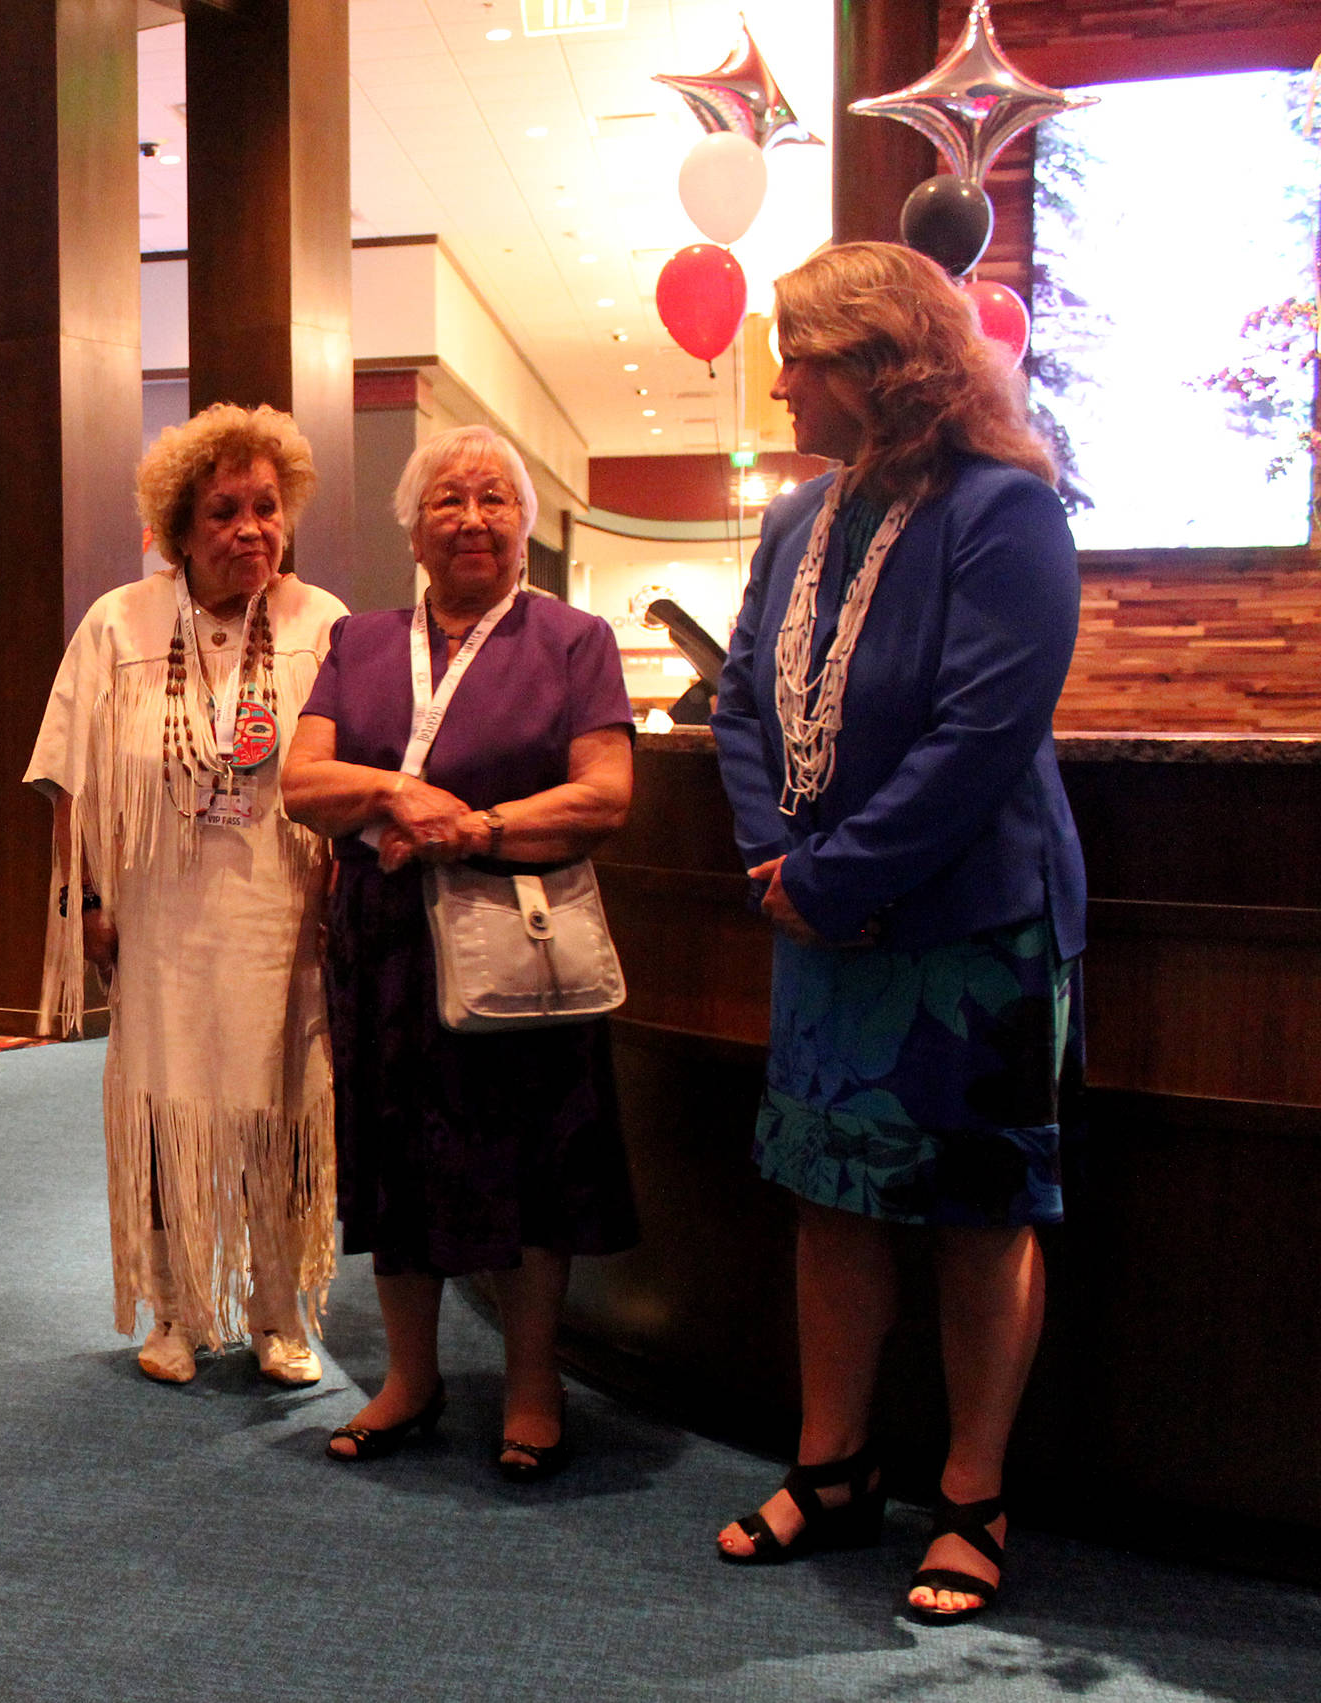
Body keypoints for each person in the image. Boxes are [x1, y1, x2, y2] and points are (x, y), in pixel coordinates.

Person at [707, 242, 1085, 1625]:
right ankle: (835, 1468)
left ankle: (971, 1497)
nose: (780, 384)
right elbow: (737, 695)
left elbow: (983, 734)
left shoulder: (1006, 510)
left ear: (882, 364)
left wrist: (836, 874)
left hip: (970, 925)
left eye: (798, 356)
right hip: (817, 913)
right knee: (831, 1199)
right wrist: (776, 854)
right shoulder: (793, 519)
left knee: (980, 1216)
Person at [281, 424, 638, 1480]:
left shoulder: (573, 640)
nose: (472, 518)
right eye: (447, 499)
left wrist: (472, 828)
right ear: (412, 527)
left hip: (518, 942)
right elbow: (301, 782)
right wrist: (396, 791)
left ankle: (532, 1385)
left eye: (494, 499)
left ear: (524, 524)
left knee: (532, 1163)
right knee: (394, 1161)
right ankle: (409, 1377)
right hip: (385, 947)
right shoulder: (358, 643)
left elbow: (606, 794)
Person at [25, 403, 347, 1387]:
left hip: (280, 914)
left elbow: (356, 774)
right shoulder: (117, 623)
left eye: (266, 507)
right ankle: (174, 1308)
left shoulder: (323, 622)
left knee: (281, 1104)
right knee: (166, 1104)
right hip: (159, 915)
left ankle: (277, 1309)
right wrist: (85, 902)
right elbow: (72, 782)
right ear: (177, 527)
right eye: (223, 512)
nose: (250, 529)